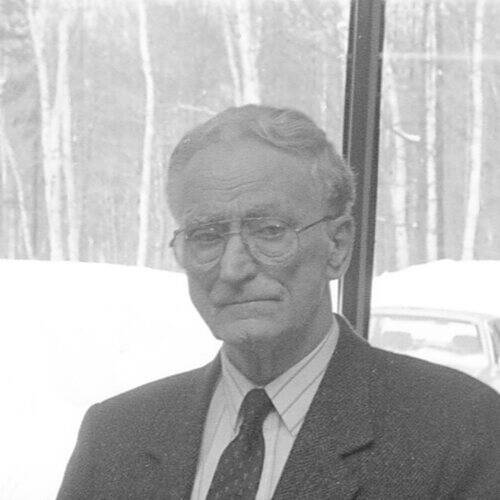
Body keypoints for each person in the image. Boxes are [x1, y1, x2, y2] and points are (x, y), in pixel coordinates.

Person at [58, 105, 500, 499]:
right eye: (207, 235)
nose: (233, 268)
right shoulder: (116, 436)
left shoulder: (461, 433)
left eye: (269, 231)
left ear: (337, 246)